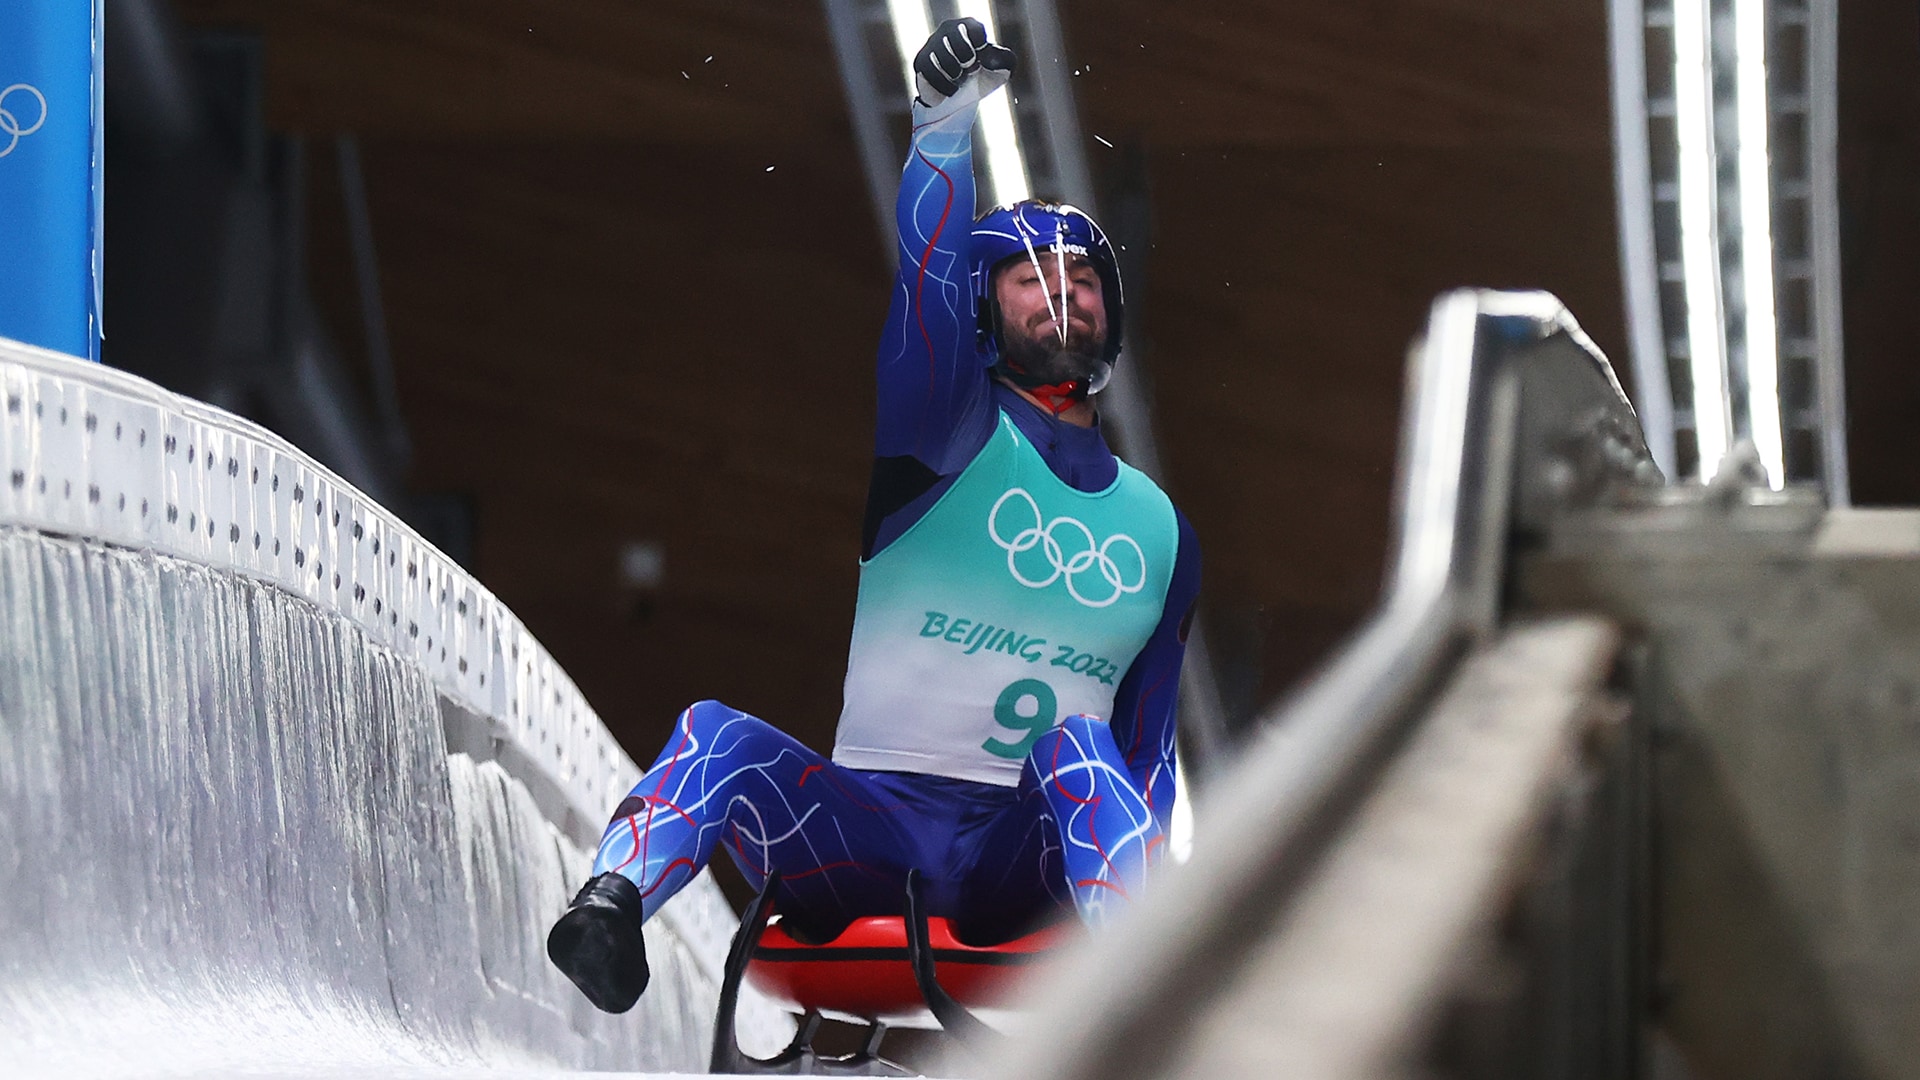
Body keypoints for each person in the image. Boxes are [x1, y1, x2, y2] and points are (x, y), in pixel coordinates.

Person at [546, 18, 1201, 1014]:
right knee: (717, 732)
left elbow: (1147, 754)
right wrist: (940, 133)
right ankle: (610, 905)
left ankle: (1146, 989)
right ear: (986, 315)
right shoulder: (943, 434)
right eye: (1032, 281)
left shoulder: (1161, 533)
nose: (1062, 298)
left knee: (1080, 745)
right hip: (867, 840)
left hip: (1020, 861)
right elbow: (929, 284)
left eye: (1081, 280)